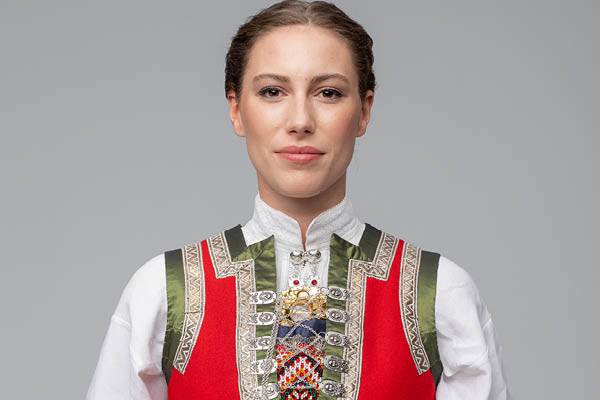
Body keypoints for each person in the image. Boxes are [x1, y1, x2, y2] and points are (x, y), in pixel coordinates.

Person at [86, 1, 510, 399]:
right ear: (236, 109)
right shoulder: (163, 292)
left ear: (364, 111)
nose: (300, 121)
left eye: (328, 93)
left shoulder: (439, 293)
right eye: (273, 92)